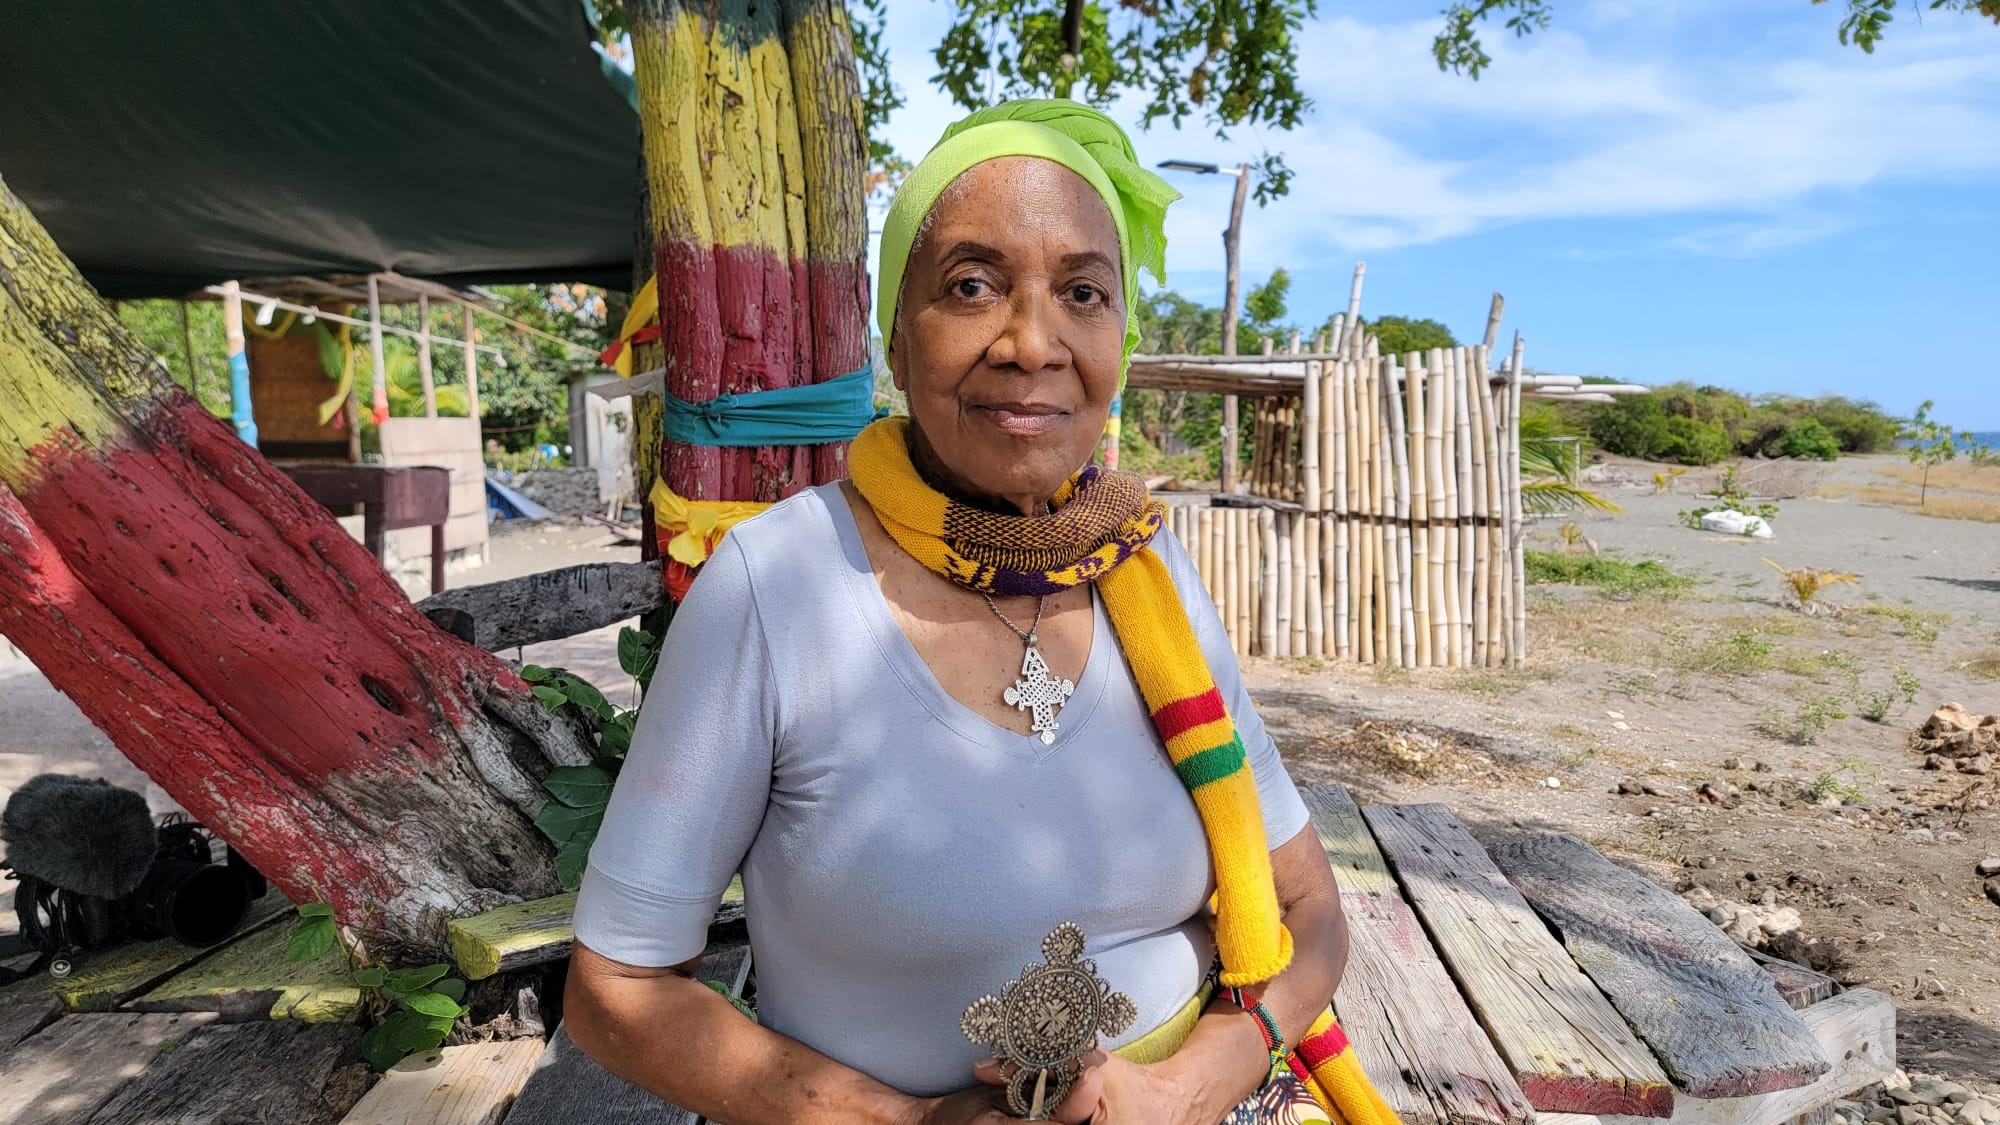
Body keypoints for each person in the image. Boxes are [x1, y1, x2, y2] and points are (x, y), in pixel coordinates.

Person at [566, 100, 1393, 1125]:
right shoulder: (776, 587)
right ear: (897, 339)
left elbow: (1307, 908)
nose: (1031, 343)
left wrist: (1187, 1088)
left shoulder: (1151, 572)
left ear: (1119, 339)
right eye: (970, 286)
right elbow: (617, 990)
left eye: (1082, 293)